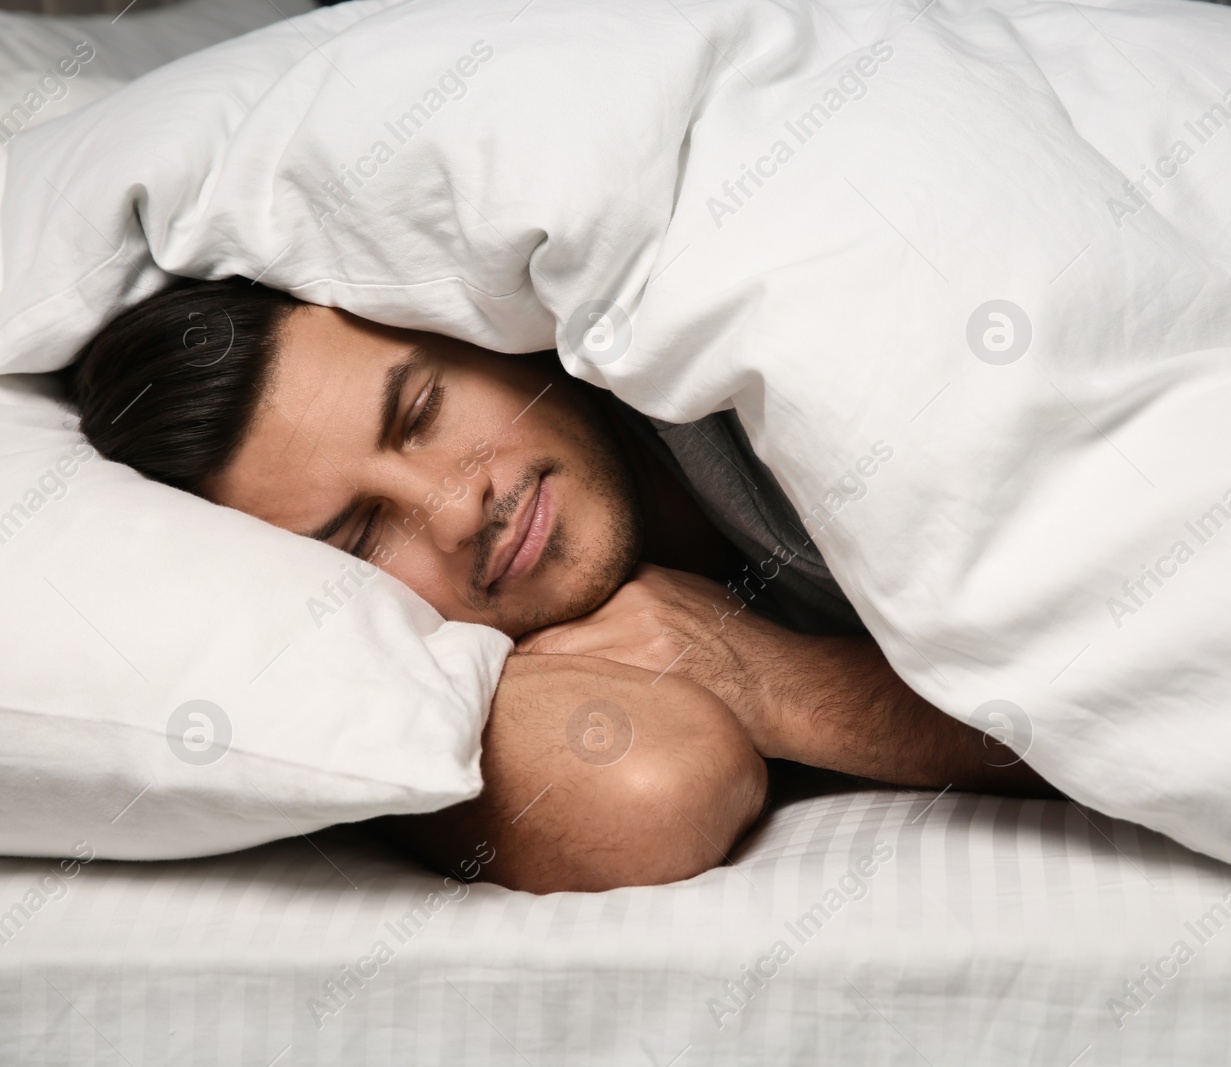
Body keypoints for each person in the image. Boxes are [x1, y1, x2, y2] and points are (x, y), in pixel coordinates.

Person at [66, 276, 1057, 892]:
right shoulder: (446, 650)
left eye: (421, 411)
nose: (457, 509)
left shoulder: (768, 377)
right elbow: (651, 783)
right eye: (363, 537)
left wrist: (778, 681)